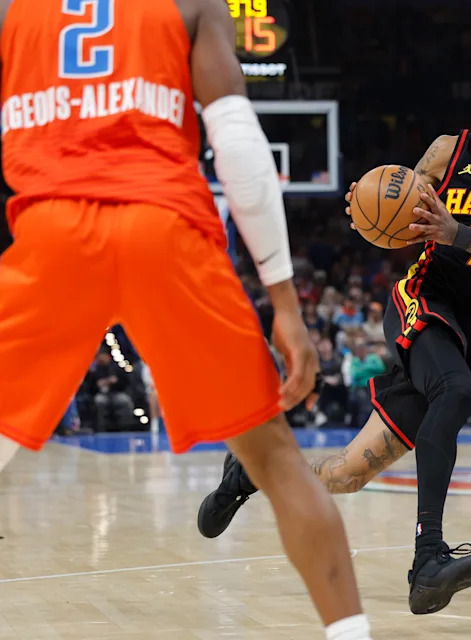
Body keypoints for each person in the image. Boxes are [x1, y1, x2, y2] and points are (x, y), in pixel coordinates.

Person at [0, 1, 371, 638]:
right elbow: (240, 148)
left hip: (53, 230)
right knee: (276, 461)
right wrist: (284, 302)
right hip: (166, 230)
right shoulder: (191, 4)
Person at [198, 61, 471, 615]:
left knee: (348, 474)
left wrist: (459, 232)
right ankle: (428, 560)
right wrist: (369, 205)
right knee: (455, 392)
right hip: (424, 301)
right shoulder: (448, 153)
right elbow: (397, 214)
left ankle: (252, 472)